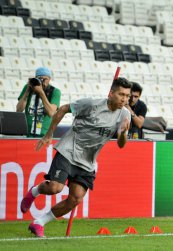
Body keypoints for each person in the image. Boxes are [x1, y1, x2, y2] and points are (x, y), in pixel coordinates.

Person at [20, 78, 132, 237]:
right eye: (121, 94)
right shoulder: (91, 105)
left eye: (127, 96)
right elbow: (63, 109)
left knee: (75, 199)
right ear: (111, 93)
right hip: (69, 150)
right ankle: (35, 191)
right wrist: (49, 134)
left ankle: (38, 223)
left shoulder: (124, 114)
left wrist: (122, 132)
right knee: (54, 188)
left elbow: (121, 144)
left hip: (88, 162)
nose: (124, 99)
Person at [16, 67, 61, 137]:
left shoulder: (55, 91)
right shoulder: (28, 88)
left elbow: (51, 112)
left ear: (49, 79)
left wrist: (41, 93)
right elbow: (19, 110)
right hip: (27, 134)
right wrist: (27, 91)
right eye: (39, 79)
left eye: (44, 79)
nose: (42, 81)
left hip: (44, 136)